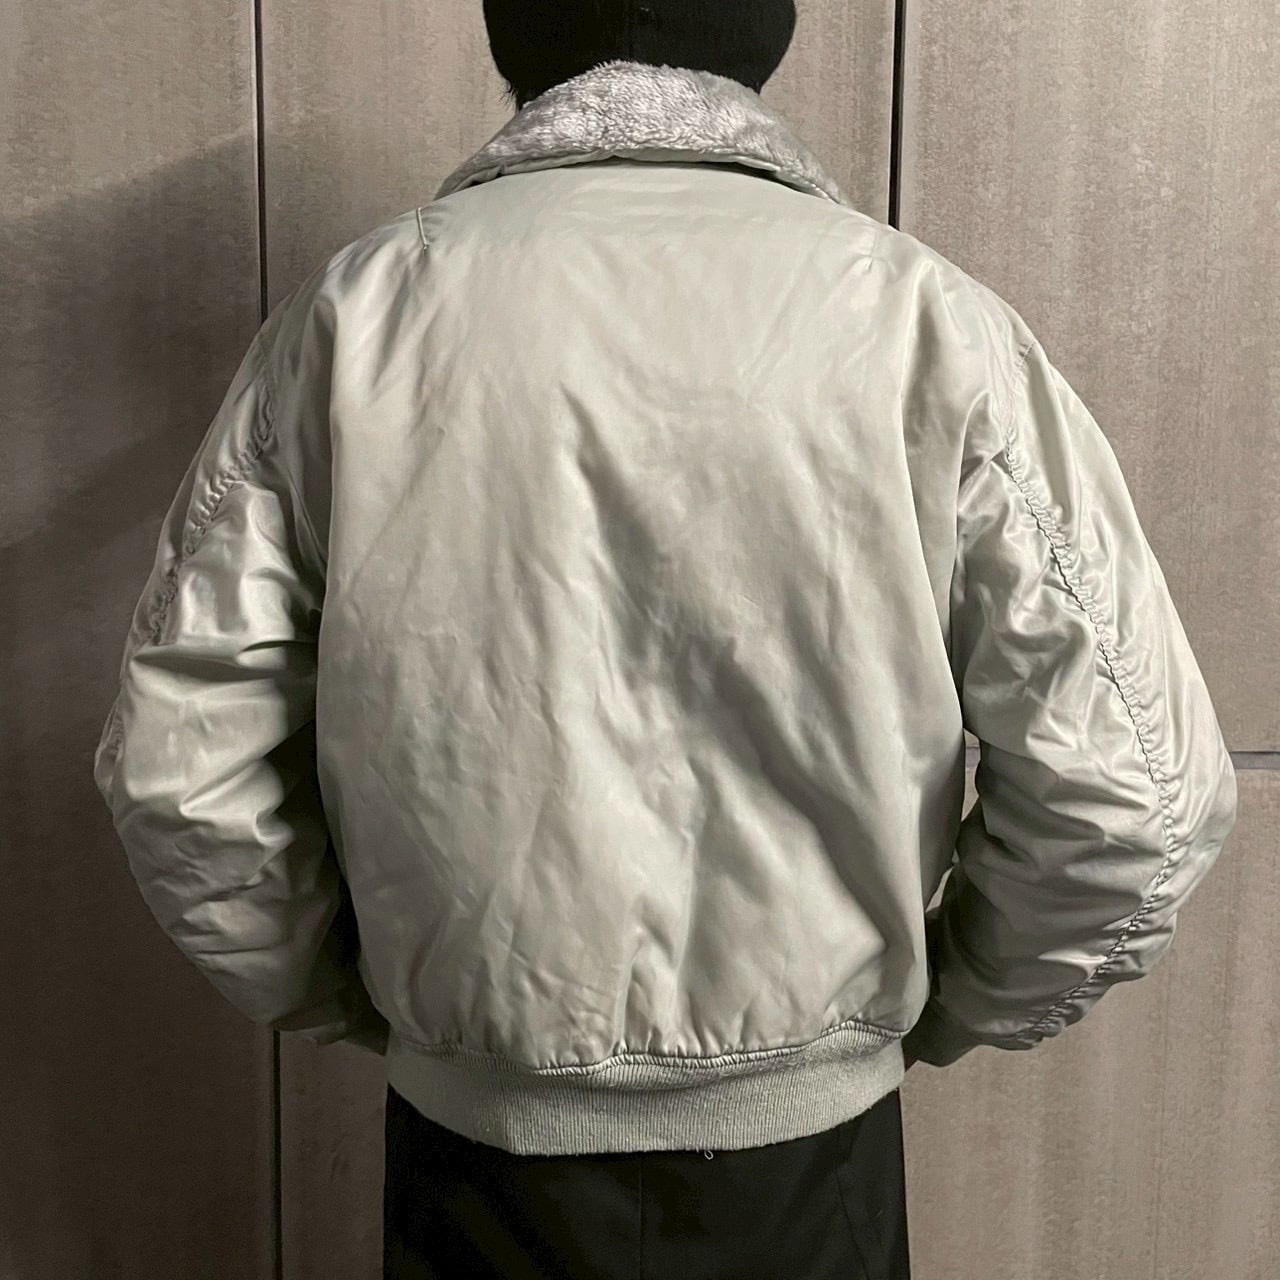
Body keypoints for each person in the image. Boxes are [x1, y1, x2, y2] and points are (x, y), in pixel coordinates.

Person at [91, 1, 1238, 1277]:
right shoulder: (924, 319)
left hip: (474, 1162)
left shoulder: (353, 318)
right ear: (762, 37)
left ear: (516, 39)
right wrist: (927, 1008)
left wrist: (378, 1007)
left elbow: (183, 776)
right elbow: (1134, 794)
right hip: (812, 1174)